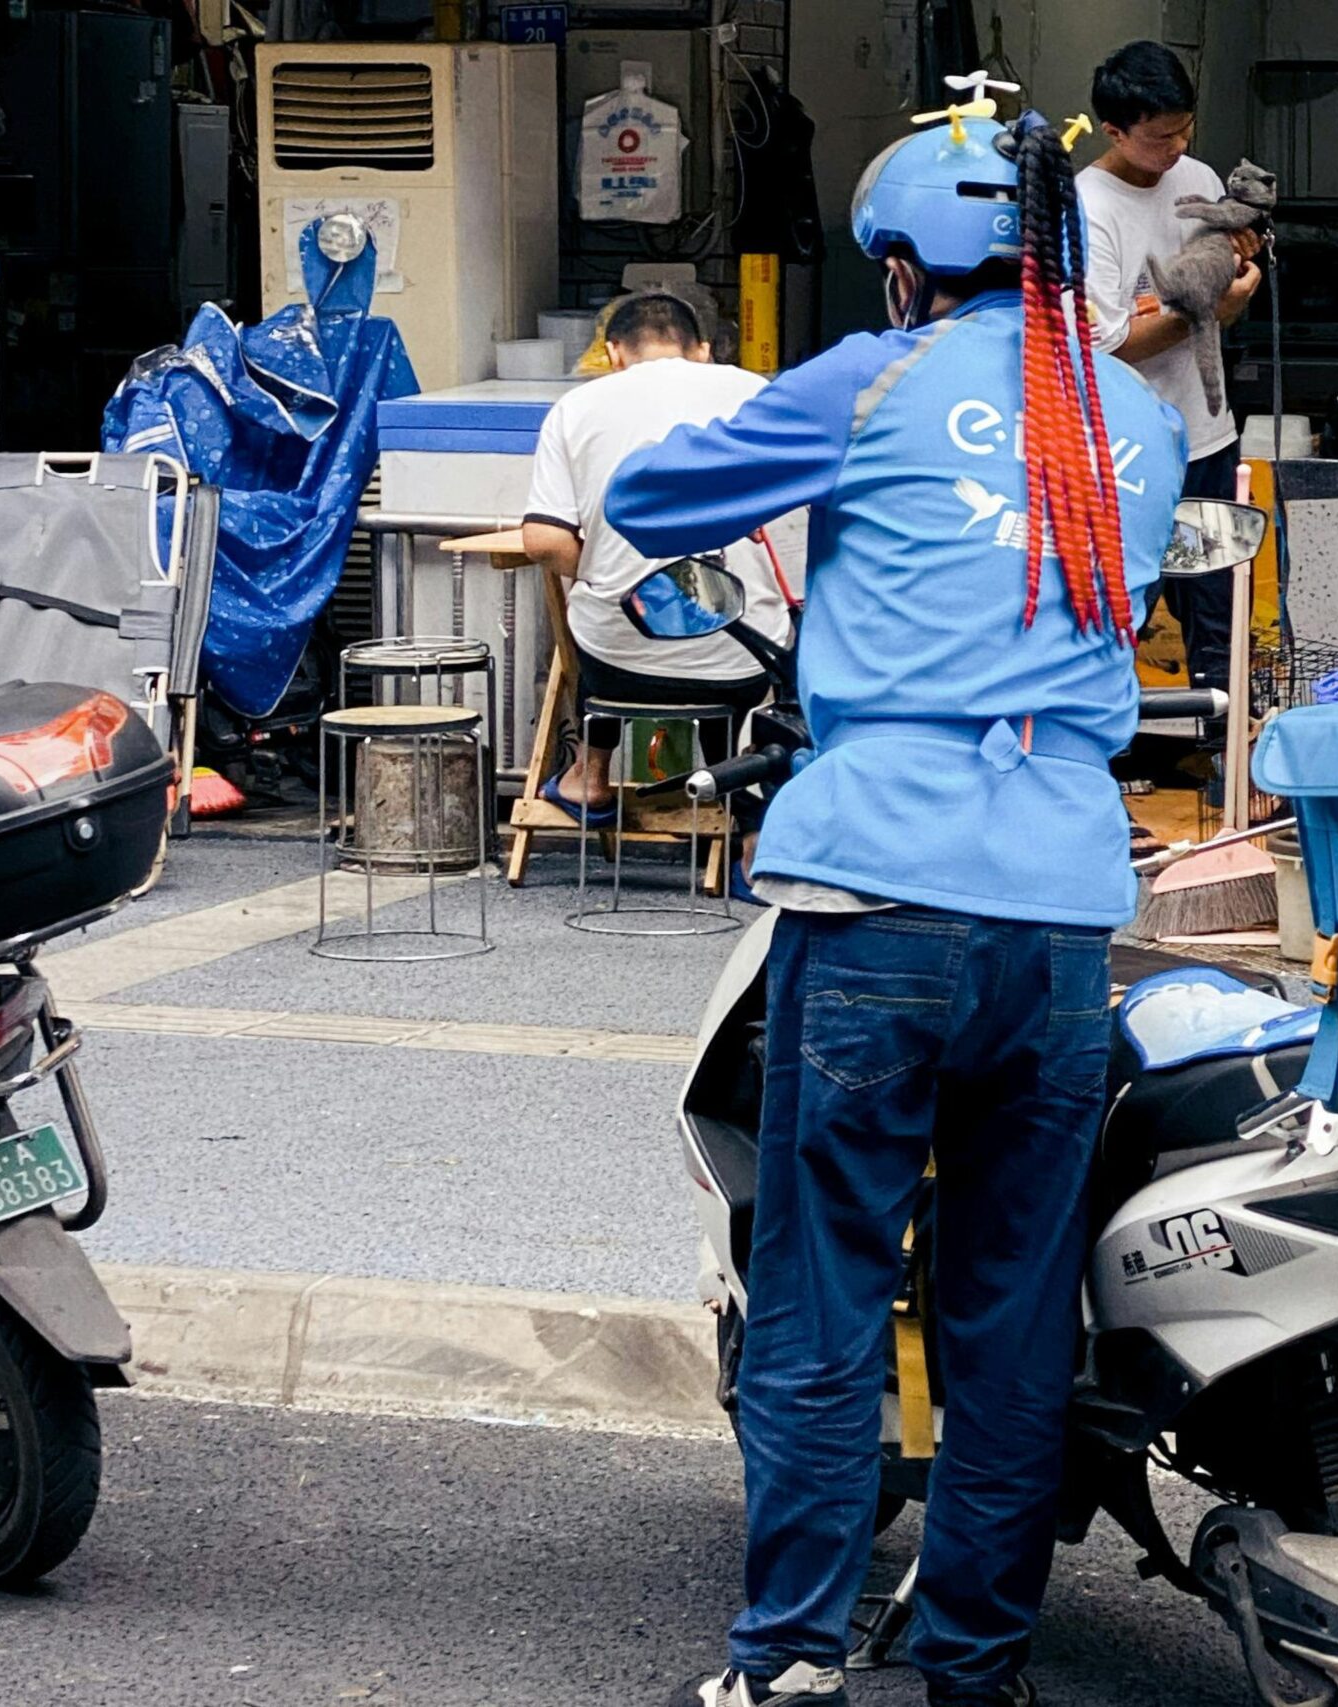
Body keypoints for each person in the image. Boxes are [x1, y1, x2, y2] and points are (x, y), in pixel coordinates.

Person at [604, 112, 1185, 1707]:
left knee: (826, 1294)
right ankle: (974, 1667)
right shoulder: (1131, 417)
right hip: (1062, 912)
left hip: (876, 899)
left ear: (906, 267)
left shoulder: (872, 379)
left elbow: (654, 500)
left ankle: (785, 1657)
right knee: (1011, 1314)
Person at [520, 291, 797, 827]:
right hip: (741, 659)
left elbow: (544, 541)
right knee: (758, 638)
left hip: (623, 663)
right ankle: (743, 808)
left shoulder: (576, 407)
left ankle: (590, 779)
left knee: (594, 613)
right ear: (703, 351)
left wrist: (604, 567)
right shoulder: (756, 392)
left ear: (615, 351)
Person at [1077, 39, 1262, 695]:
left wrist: (1241, 278)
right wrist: (1207, 309)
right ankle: (1102, 759)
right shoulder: (1088, 209)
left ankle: (1222, 759)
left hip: (1207, 434)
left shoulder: (1200, 181)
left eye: (1185, 129)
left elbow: (1232, 293)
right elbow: (1105, 342)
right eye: (1160, 138)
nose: (1176, 149)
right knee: (1121, 610)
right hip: (1127, 450)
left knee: (1218, 609)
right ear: (1114, 131)